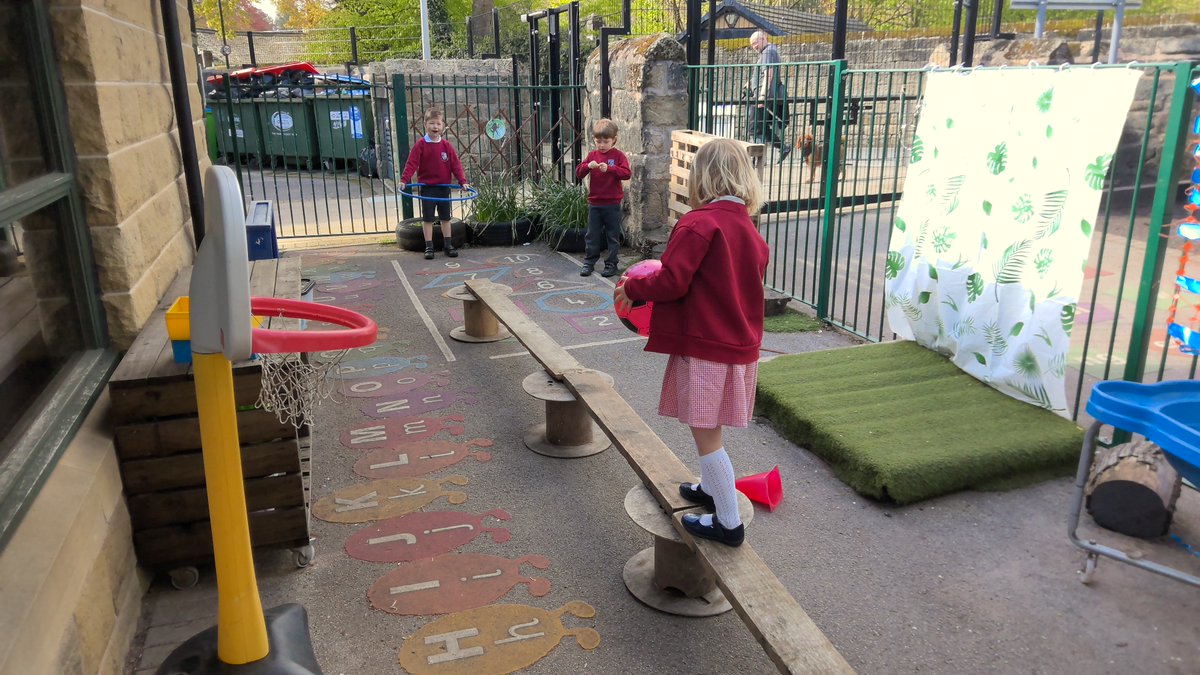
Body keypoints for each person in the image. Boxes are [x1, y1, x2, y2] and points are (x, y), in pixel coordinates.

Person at [614, 138, 769, 547]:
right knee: (709, 427)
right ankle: (709, 487)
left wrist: (634, 285)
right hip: (735, 348)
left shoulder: (699, 223)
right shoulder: (749, 232)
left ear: (702, 177)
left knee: (706, 433)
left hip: (706, 348)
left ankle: (728, 523)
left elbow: (671, 279)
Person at [401, 107, 469, 260]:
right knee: (428, 219)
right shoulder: (421, 145)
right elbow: (411, 163)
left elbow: (456, 165)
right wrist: (404, 180)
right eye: (432, 123)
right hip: (427, 189)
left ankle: (448, 245)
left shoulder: (446, 146)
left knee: (446, 218)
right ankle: (429, 246)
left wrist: (462, 181)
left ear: (443, 126)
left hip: (443, 188)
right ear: (425, 124)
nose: (435, 127)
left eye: (438, 124)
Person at [575, 118, 632, 278]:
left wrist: (611, 169)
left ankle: (611, 263)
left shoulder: (618, 156)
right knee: (592, 235)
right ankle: (589, 262)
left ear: (614, 140)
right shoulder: (592, 155)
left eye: (605, 141)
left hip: (612, 204)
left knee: (612, 235)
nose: (601, 145)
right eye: (598, 141)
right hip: (595, 203)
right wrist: (587, 166)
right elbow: (579, 173)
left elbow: (626, 173)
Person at [747, 30, 790, 162]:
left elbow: (768, 74)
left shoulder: (768, 52)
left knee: (755, 127)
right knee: (759, 127)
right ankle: (770, 152)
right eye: (752, 44)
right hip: (764, 95)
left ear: (763, 39)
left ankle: (777, 149)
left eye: (755, 42)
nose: (754, 46)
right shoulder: (768, 52)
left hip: (764, 97)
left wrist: (762, 95)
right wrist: (749, 83)